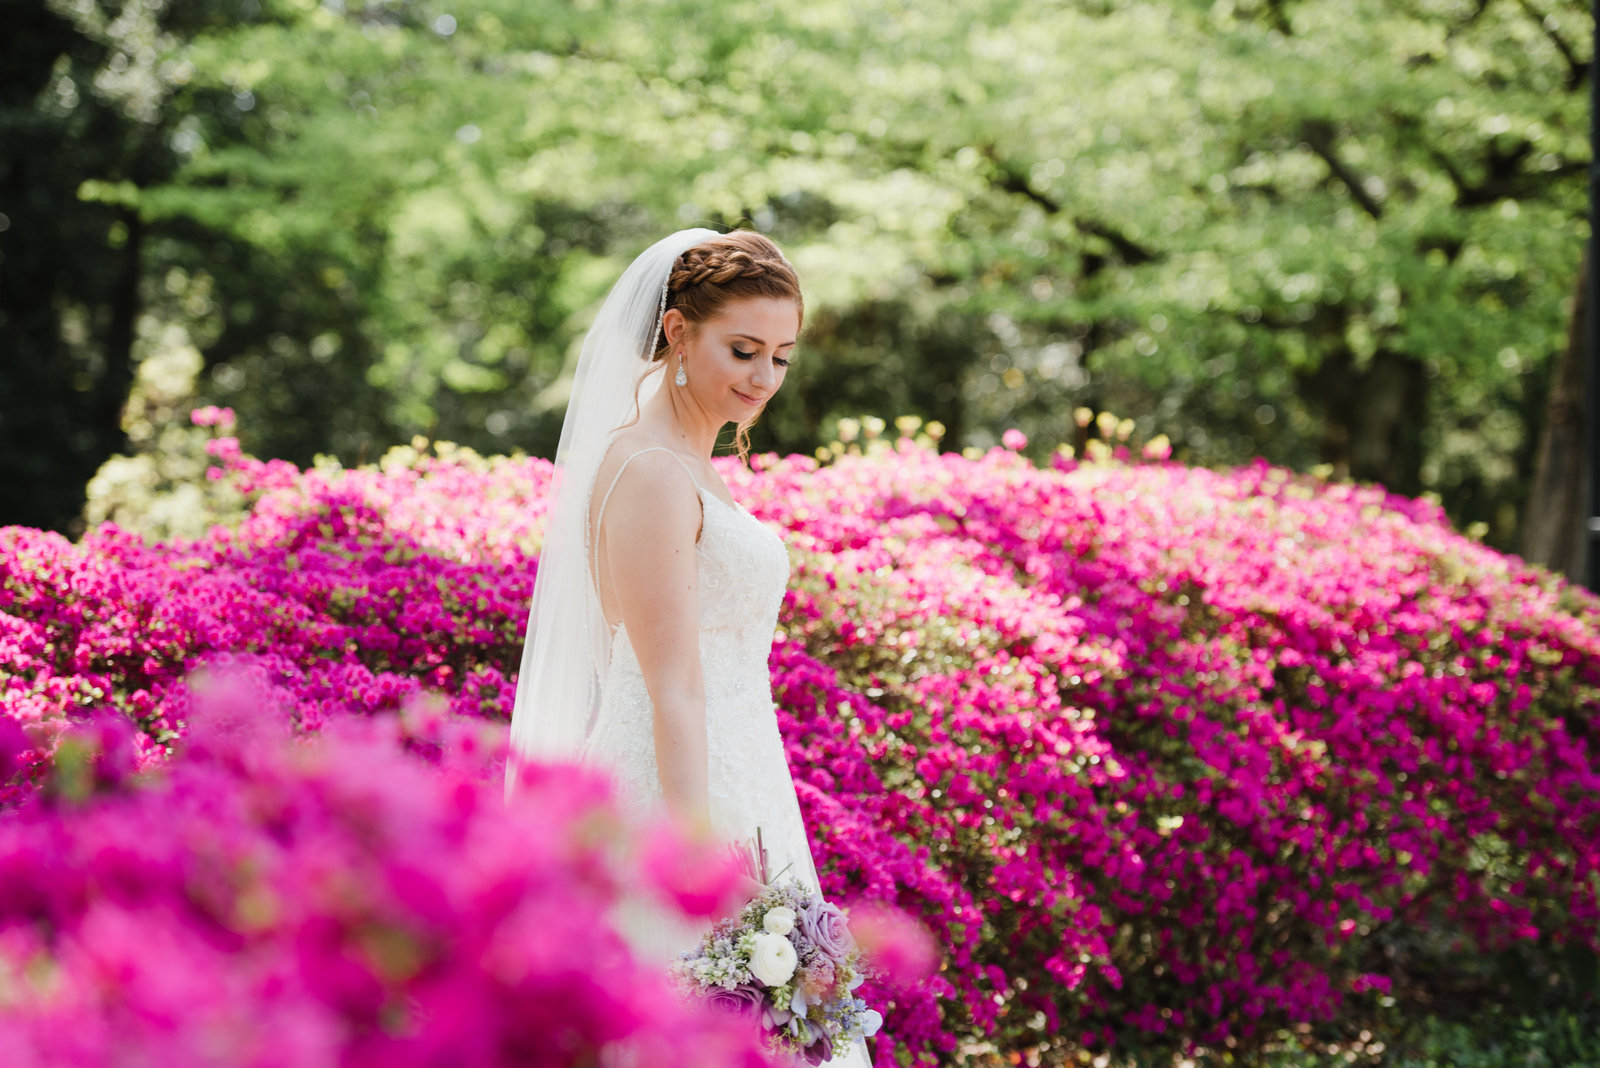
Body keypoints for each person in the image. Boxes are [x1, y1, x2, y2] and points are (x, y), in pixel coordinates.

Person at [505, 228, 874, 1067]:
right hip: (675, 797)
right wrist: (698, 855)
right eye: (743, 350)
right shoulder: (650, 473)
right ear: (676, 332)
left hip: (744, 772)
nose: (763, 379)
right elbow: (671, 681)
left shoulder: (692, 465)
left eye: (782, 357)